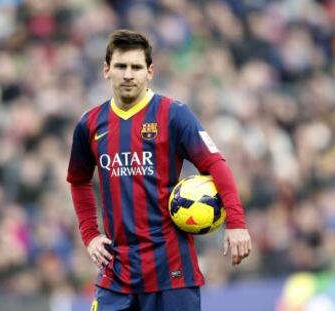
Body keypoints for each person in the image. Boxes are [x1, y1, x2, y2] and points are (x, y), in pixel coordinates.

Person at [67, 29, 251, 311]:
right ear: (107, 70)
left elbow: (215, 164)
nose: (128, 74)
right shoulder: (90, 124)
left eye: (136, 67)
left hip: (171, 271)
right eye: (121, 66)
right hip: (117, 271)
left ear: (149, 71)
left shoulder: (173, 114)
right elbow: (79, 181)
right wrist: (90, 234)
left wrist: (236, 223)